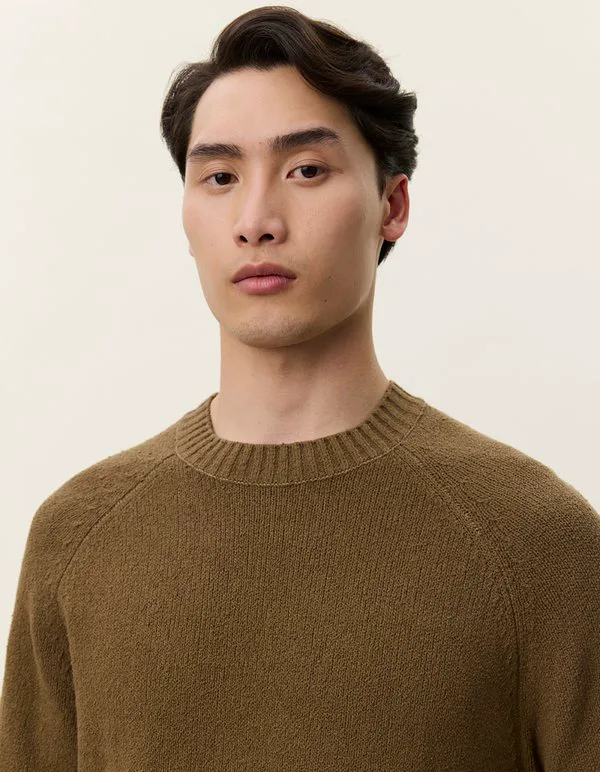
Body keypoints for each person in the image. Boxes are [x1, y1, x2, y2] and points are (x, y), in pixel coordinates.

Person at [1, 6, 598, 770]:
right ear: (186, 216)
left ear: (392, 207)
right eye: (220, 177)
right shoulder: (78, 538)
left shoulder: (536, 543)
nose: (255, 220)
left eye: (305, 170)